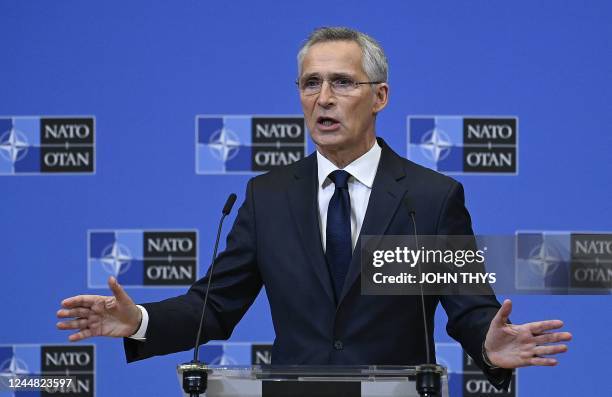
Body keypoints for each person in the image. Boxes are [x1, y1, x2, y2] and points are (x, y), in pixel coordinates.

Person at [57, 27, 571, 390]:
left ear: (380, 96)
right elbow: (213, 307)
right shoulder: (269, 197)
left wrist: (491, 345)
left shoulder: (430, 197)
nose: (323, 97)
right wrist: (140, 319)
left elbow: (469, 308)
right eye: (310, 83)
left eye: (342, 83)